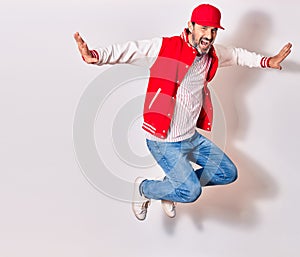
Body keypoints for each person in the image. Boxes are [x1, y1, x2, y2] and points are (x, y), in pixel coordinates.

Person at [74, 3, 292, 221]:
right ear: (191, 26)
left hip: (191, 138)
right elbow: (132, 49)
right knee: (191, 191)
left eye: (214, 30)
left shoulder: (213, 54)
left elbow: (236, 55)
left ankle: (171, 188)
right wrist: (95, 55)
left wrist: (267, 61)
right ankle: (145, 188)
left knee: (227, 173)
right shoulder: (165, 47)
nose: (209, 35)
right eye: (204, 28)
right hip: (162, 140)